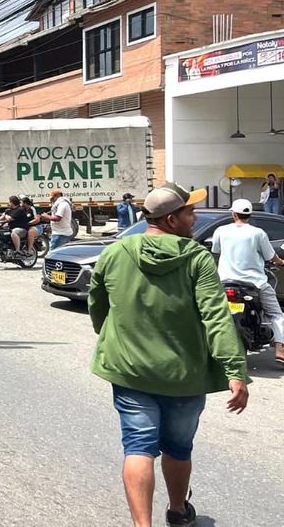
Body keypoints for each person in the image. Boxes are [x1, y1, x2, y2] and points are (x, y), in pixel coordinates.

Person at [88, 182, 248, 527]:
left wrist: (113, 336)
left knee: (138, 447)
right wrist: (235, 370)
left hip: (130, 370)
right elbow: (216, 316)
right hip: (184, 376)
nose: (195, 216)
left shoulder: (117, 251)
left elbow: (97, 303)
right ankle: (177, 512)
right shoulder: (197, 259)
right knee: (178, 447)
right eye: (190, 212)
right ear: (172, 219)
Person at [211, 199, 284, 367]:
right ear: (250, 215)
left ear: (233, 214)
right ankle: (279, 350)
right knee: (276, 314)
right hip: (255, 283)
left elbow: (216, 251)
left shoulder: (221, 230)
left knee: (214, 313)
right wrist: (281, 262)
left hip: (226, 282)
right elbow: (271, 257)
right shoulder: (258, 233)